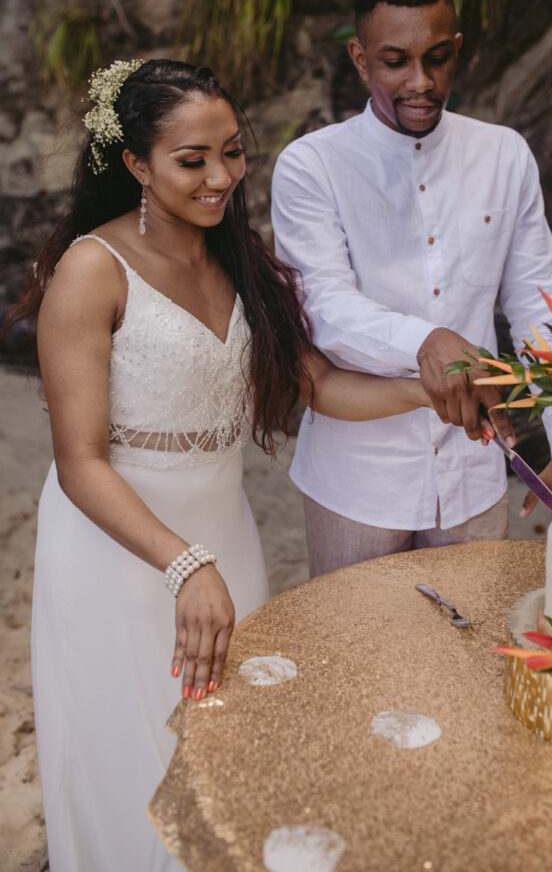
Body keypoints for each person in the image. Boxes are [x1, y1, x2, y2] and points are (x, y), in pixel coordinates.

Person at [8, 59, 433, 872]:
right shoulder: (92, 271)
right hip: (119, 546)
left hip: (223, 534)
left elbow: (319, 385)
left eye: (232, 153)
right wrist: (184, 565)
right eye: (192, 160)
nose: (220, 177)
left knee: (230, 748)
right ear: (136, 164)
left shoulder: (234, 257)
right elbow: (78, 462)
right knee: (136, 761)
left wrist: (428, 394)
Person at [271, 0, 552, 577]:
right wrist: (425, 340)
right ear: (360, 60)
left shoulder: (504, 155)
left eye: (438, 58)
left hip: (476, 471)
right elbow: (322, 306)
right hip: (355, 479)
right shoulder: (311, 166)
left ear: (457, 48)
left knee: (466, 660)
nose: (422, 81)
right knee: (353, 657)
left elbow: (541, 305)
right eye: (396, 62)